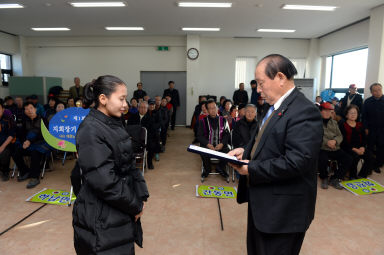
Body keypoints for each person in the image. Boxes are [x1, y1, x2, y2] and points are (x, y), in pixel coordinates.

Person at [229, 54, 323, 255]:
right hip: (263, 204)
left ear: (280, 77)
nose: (259, 90)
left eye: (261, 83)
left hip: (283, 213)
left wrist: (251, 168)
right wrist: (245, 151)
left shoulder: (304, 111)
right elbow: (265, 140)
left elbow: (298, 161)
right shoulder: (275, 106)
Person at [73, 75, 149, 254]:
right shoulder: (91, 130)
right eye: (121, 99)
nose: (126, 104)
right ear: (103, 99)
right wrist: (135, 205)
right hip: (101, 215)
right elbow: (105, 182)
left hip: (118, 208)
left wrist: (140, 197)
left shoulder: (112, 123)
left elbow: (128, 164)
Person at [12, 102, 50, 189]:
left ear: (35, 109)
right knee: (15, 152)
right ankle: (25, 171)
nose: (29, 110)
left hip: (42, 143)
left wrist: (30, 141)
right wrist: (24, 142)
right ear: (24, 111)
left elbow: (44, 134)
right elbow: (21, 134)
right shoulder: (25, 121)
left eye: (31, 108)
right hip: (29, 143)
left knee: (35, 152)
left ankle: (34, 177)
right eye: (26, 109)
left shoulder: (43, 119)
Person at [318, 102, 352, 189]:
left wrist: (335, 141)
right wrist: (328, 142)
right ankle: (324, 177)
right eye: (325, 111)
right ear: (320, 111)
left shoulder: (334, 122)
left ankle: (335, 178)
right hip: (322, 148)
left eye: (329, 111)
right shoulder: (315, 123)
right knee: (322, 159)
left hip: (335, 147)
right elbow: (314, 136)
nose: (327, 113)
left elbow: (340, 135)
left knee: (348, 159)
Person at [339, 104, 375, 179]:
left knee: (370, 155)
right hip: (347, 147)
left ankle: (362, 175)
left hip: (359, 147)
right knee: (354, 156)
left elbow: (364, 138)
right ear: (346, 115)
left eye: (355, 113)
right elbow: (343, 141)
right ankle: (352, 176)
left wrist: (362, 147)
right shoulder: (342, 125)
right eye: (351, 113)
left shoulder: (360, 125)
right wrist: (355, 149)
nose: (353, 115)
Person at [197, 99, 230, 178]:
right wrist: (207, 144)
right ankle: (207, 168)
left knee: (228, 150)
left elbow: (227, 134)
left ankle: (220, 167)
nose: (213, 110)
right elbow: (199, 136)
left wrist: (222, 144)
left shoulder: (224, 120)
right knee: (202, 149)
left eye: (214, 107)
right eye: (210, 108)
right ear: (207, 110)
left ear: (217, 108)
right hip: (208, 146)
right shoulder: (203, 121)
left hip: (220, 145)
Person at [362, 82, 384, 173]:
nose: (378, 92)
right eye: (375, 91)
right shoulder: (367, 101)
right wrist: (366, 128)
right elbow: (364, 116)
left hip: (383, 129)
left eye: (379, 90)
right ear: (371, 92)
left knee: (381, 147)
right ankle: (369, 165)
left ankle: (377, 165)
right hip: (371, 129)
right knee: (370, 147)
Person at [0, 101, 16, 181]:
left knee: (4, 153)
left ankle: (5, 171)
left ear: (3, 109)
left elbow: (11, 135)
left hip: (7, 143)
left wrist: (2, 147)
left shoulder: (8, 119)